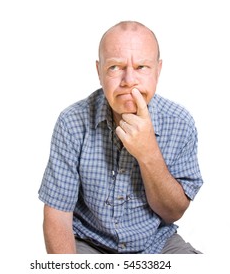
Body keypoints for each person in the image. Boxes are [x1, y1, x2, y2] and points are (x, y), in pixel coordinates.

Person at [38, 21, 203, 254]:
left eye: (142, 67)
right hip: (89, 243)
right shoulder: (72, 122)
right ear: (99, 71)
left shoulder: (180, 122)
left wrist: (148, 153)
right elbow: (57, 215)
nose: (129, 81)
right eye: (115, 67)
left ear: (158, 70)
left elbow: (173, 212)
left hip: (156, 243)